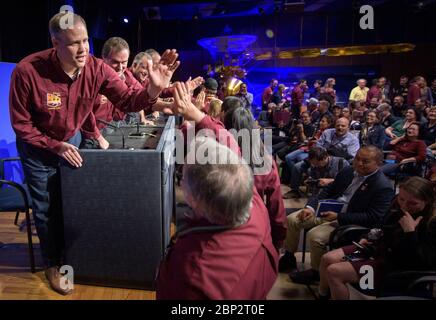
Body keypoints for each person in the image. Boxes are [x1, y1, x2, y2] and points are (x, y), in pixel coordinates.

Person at [9, 12, 180, 295]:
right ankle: (54, 263)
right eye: (74, 43)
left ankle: (75, 255)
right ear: (55, 43)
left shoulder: (96, 68)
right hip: (38, 149)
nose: (83, 49)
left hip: (71, 139)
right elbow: (21, 125)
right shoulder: (27, 71)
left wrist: (153, 88)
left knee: (73, 201)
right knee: (46, 208)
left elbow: (127, 100)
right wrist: (56, 146)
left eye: (86, 40)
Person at [156, 82, 278, 299]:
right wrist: (197, 115)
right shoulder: (254, 203)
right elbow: (230, 150)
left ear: (196, 200)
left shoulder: (193, 277)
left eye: (184, 179)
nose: (181, 183)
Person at [279, 146, 394, 284]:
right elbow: (327, 190)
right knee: (292, 219)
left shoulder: (383, 186)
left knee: (315, 236)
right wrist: (310, 207)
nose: (359, 163)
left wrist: (339, 217)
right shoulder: (348, 171)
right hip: (328, 210)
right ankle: (289, 257)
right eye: (357, 159)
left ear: (378, 164)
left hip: (348, 220)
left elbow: (373, 216)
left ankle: (316, 273)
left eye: (365, 161)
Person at [318, 176, 436, 300]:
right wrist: (368, 237)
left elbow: (423, 261)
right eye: (401, 199)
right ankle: (323, 295)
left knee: (334, 271)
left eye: (413, 203)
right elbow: (381, 226)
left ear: (427, 201)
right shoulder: (398, 205)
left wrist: (410, 233)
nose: (405, 206)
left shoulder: (432, 223)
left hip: (395, 270)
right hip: (377, 250)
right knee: (327, 258)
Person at [224, 107, 286, 250]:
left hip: (222, 227)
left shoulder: (217, 157)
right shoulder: (266, 161)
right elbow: (275, 204)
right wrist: (278, 239)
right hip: (254, 225)